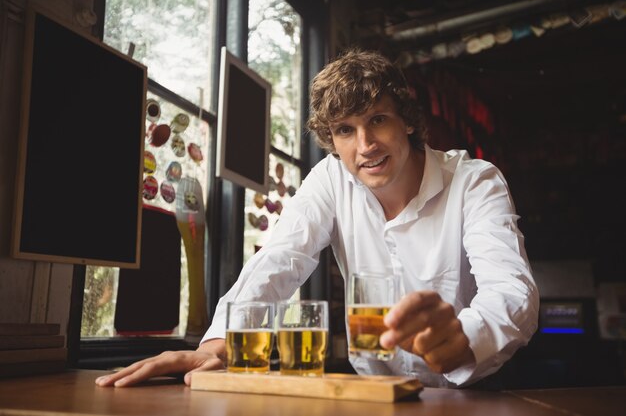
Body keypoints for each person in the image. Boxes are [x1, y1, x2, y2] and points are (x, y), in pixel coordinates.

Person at [96, 48, 539, 388]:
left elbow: (511, 289)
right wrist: (218, 343)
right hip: (372, 396)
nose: (365, 144)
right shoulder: (330, 179)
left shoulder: (474, 181)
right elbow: (279, 260)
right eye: (345, 130)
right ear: (332, 140)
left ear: (407, 121)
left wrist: (466, 336)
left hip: (469, 394)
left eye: (377, 120)